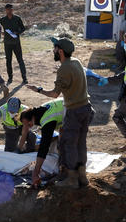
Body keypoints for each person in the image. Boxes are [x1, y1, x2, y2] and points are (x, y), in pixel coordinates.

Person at [27, 37, 94, 188]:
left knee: (68, 144)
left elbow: (54, 95)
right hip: (86, 108)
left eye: (55, 48)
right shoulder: (76, 62)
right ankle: (82, 177)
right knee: (80, 143)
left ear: (61, 51)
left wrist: (38, 90)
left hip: (74, 111)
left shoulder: (63, 68)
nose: (53, 51)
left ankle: (71, 179)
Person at [19, 99, 65, 187]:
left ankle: (68, 173)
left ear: (32, 118)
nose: (28, 128)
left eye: (28, 125)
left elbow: (44, 147)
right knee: (61, 142)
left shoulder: (46, 119)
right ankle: (63, 169)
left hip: (80, 112)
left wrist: (35, 172)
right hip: (72, 109)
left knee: (68, 144)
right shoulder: (40, 111)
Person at [0, 3, 27, 84]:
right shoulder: (2, 20)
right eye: (8, 10)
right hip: (7, 43)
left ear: (13, 10)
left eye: (11, 10)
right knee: (8, 61)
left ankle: (24, 78)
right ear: (5, 10)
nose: (9, 11)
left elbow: (23, 28)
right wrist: (1, 32)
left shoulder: (17, 18)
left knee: (20, 60)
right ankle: (10, 78)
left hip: (16, 43)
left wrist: (17, 32)